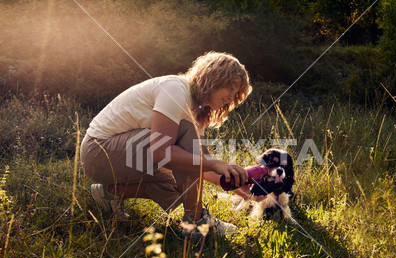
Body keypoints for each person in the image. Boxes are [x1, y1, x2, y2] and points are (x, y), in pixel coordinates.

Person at [80, 51, 263, 239]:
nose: (232, 98)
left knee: (184, 187)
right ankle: (196, 223)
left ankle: (109, 192)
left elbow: (200, 163)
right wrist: (214, 164)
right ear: (215, 78)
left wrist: (236, 186)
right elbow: (161, 152)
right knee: (186, 134)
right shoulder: (176, 89)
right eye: (230, 89)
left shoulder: (197, 110)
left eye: (237, 94)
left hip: (117, 157)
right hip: (97, 152)